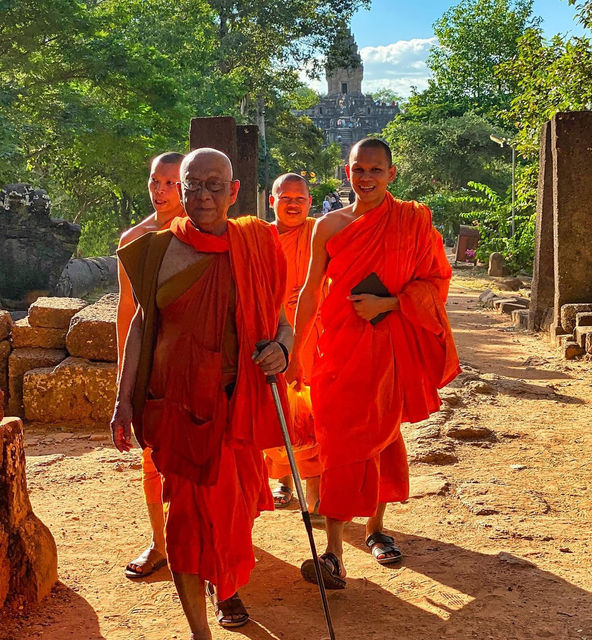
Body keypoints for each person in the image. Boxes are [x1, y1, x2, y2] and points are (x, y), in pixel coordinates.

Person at [111, 148, 292, 637]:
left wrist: (282, 349)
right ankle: (198, 631)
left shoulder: (257, 245)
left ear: (234, 192)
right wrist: (122, 400)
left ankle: (227, 587)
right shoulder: (154, 251)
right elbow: (141, 329)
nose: (204, 195)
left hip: (237, 403)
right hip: (179, 408)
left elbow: (281, 323)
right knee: (186, 528)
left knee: (233, 517)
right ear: (179, 189)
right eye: (194, 185)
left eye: (216, 185)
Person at [290, 138, 460, 589]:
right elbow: (310, 291)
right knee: (335, 438)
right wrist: (294, 350)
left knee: (382, 434)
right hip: (337, 345)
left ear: (392, 173)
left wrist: (393, 303)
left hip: (385, 344)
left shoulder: (412, 221)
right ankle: (332, 553)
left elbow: (435, 280)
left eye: (375, 170)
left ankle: (375, 529)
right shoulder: (327, 226)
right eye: (358, 170)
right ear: (346, 172)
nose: (366, 178)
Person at [116, 151, 185, 579]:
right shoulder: (133, 239)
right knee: (152, 459)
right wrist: (123, 382)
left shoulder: (200, 234)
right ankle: (161, 543)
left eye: (171, 183)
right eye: (155, 182)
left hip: (195, 361)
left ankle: (205, 543)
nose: (161, 191)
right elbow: (127, 312)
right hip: (150, 365)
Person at [263, 173, 324, 512]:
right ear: (272, 201)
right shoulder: (260, 237)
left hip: (313, 332)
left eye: (300, 198)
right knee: (275, 411)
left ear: (309, 203)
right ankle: (283, 480)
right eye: (285, 197)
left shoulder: (319, 233)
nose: (292, 204)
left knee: (314, 417)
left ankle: (314, 494)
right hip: (271, 332)